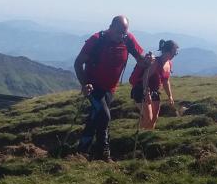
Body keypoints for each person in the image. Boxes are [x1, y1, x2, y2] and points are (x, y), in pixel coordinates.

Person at [74, 15, 145, 161]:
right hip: (93, 87)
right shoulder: (97, 40)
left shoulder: (128, 40)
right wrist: (84, 84)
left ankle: (82, 150)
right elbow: (78, 63)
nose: (121, 36)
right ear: (111, 28)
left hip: (110, 89)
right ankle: (104, 152)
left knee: (96, 118)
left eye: (124, 33)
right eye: (119, 32)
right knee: (104, 116)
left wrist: (149, 60)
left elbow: (141, 61)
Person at [137, 40, 179, 131]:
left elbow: (165, 80)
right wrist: (146, 93)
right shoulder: (155, 62)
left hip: (155, 92)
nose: (175, 55)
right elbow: (145, 77)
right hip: (141, 90)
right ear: (168, 51)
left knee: (154, 118)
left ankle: (147, 136)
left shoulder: (169, 63)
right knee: (149, 118)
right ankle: (138, 136)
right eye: (175, 53)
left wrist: (170, 96)